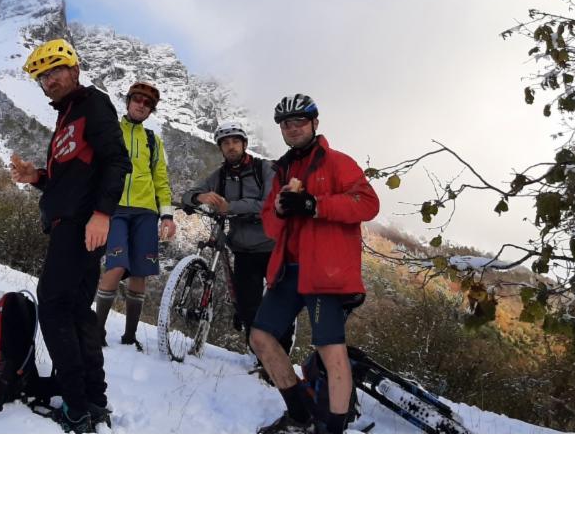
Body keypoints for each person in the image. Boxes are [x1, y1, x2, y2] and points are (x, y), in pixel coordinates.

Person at [9, 38, 131, 433]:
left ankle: (76, 406)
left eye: (55, 72)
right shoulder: (67, 116)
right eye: (42, 77)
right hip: (73, 222)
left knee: (53, 305)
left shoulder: (91, 105)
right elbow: (71, 178)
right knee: (77, 312)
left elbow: (116, 161)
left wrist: (102, 214)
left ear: (74, 70)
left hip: (82, 224)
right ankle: (92, 398)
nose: (49, 81)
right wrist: (37, 178)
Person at [250, 94, 379, 434]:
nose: (292, 129)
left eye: (299, 122)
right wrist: (279, 209)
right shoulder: (282, 170)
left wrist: (314, 205)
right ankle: (300, 413)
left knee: (329, 349)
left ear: (314, 124)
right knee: (261, 338)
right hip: (288, 270)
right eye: (286, 124)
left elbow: (367, 203)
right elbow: (269, 225)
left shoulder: (338, 163)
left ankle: (332, 430)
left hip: (325, 272)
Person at [181, 121, 293, 361]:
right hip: (243, 250)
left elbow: (269, 203)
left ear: (244, 144)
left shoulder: (264, 169)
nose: (231, 147)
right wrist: (199, 196)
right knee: (248, 308)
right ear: (221, 148)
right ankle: (262, 358)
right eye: (225, 143)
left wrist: (230, 207)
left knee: (281, 305)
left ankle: (281, 357)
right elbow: (187, 195)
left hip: (273, 247)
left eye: (235, 142)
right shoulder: (219, 176)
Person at [94, 82, 176, 351]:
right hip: (115, 209)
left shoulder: (153, 140)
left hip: (146, 212)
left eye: (147, 103)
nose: (141, 105)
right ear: (128, 102)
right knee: (115, 267)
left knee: (140, 272)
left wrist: (166, 216)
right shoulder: (111, 130)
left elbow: (161, 180)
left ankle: (130, 337)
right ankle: (96, 331)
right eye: (137, 100)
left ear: (151, 111)